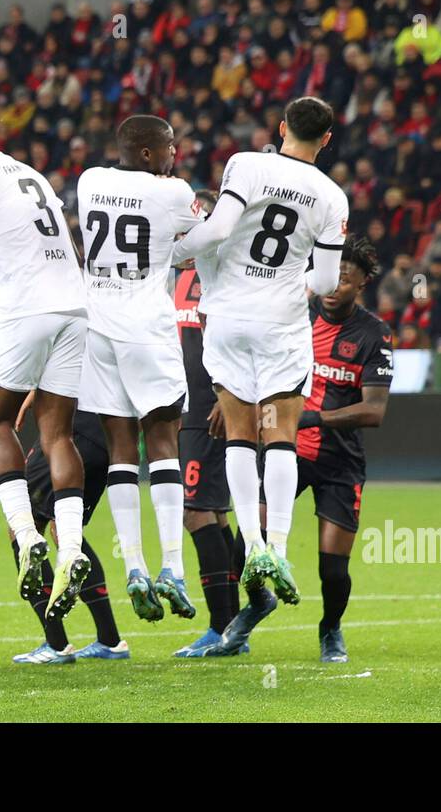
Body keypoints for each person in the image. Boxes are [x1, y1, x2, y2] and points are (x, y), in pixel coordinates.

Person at [171, 96, 348, 627]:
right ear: (327, 140)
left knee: (241, 436)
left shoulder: (247, 164)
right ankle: (279, 548)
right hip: (282, 324)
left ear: (281, 128)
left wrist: (179, 251)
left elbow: (219, 230)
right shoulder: (333, 197)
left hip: (226, 318)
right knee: (281, 438)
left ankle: (251, 545)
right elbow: (325, 284)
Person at [230, 236, 394, 662]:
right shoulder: (295, 318)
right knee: (245, 541)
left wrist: (315, 417)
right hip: (289, 452)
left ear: (361, 285)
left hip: (340, 461)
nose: (335, 285)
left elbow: (374, 411)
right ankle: (259, 601)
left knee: (333, 567)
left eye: (346, 279)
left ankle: (330, 630)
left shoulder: (374, 333)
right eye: (331, 276)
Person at [0, 105, 93, 619]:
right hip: (74, 305)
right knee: (57, 436)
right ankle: (72, 549)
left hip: (22, 308)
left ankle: (26, 536)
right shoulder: (32, 173)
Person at [76, 114, 203, 621]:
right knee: (165, 442)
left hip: (98, 327)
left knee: (120, 449)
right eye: (170, 146)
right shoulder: (173, 193)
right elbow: (201, 239)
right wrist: (170, 252)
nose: (176, 154)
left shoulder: (90, 181)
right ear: (150, 153)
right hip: (147, 328)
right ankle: (172, 565)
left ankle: (133, 565)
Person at [172, 190, 247, 657]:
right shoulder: (175, 273)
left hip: (213, 406)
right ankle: (230, 626)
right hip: (185, 408)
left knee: (197, 511)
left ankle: (223, 628)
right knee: (212, 512)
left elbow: (236, 335)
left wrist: (227, 393)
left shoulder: (223, 271)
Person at [10, 403, 130, 664]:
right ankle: (109, 640)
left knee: (23, 526)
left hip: (71, 429)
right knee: (64, 530)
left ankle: (56, 644)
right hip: (108, 436)